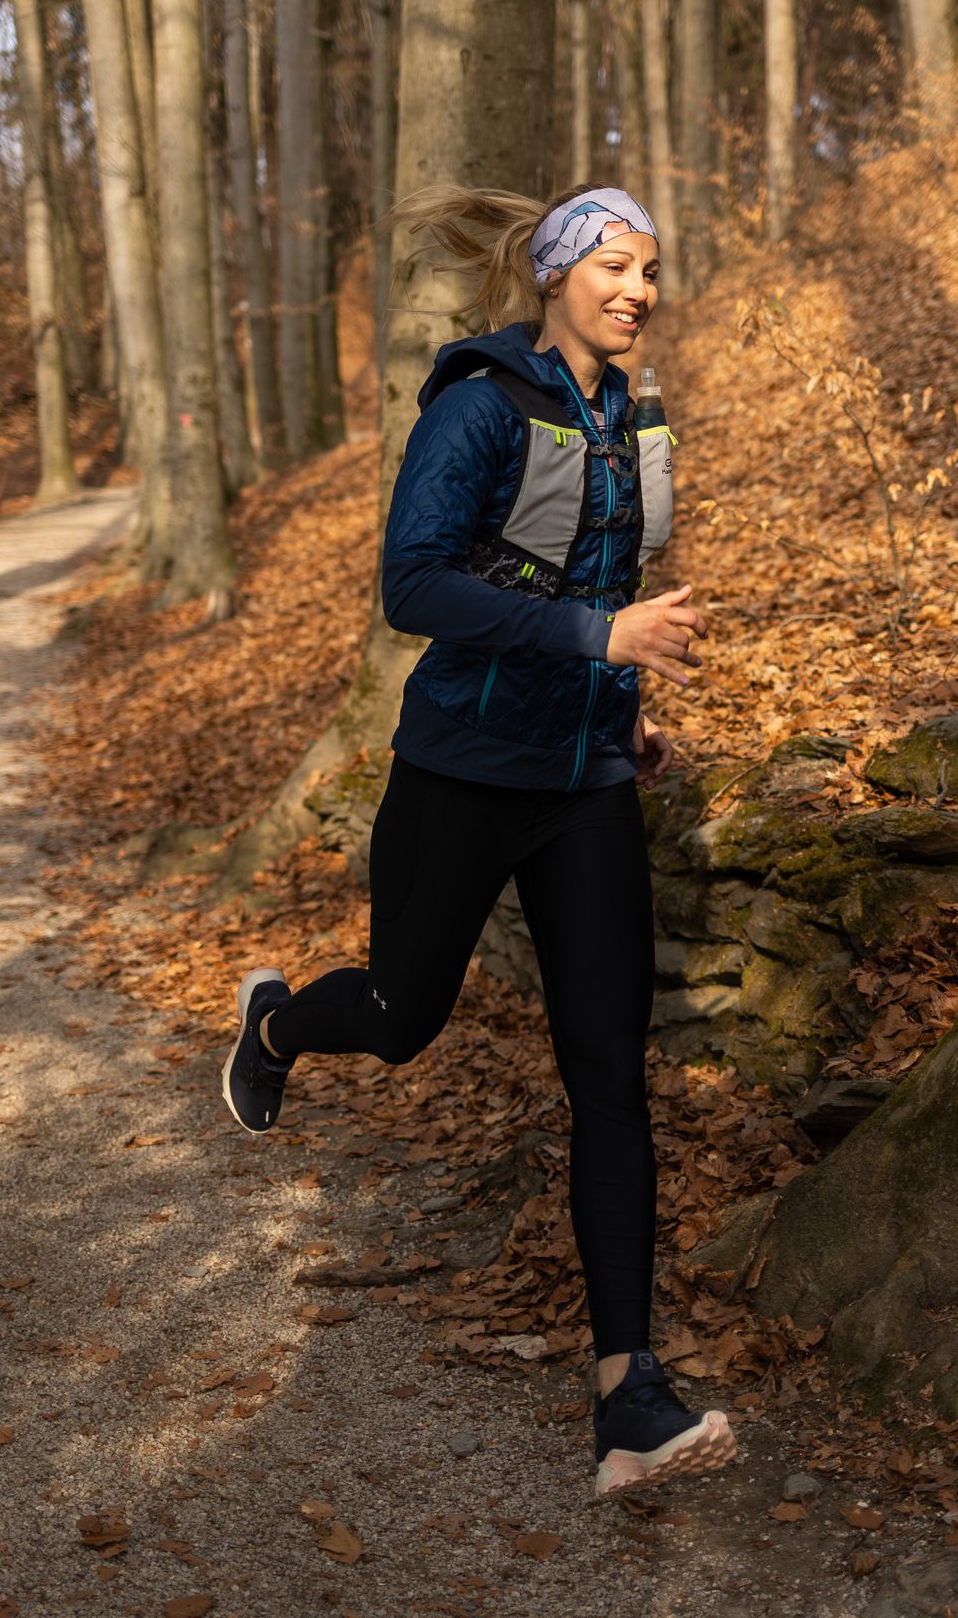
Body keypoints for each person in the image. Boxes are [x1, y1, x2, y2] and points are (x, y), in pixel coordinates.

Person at [219, 183, 736, 1499]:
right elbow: (415, 583)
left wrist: (623, 708)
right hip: (459, 773)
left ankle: (630, 1392)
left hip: (583, 784)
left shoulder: (630, 415)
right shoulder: (478, 404)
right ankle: (276, 1027)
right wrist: (596, 644)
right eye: (615, 266)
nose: (638, 290)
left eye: (652, 271)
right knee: (400, 1016)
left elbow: (590, 583)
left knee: (610, 1079)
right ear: (555, 275)